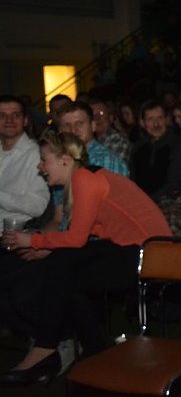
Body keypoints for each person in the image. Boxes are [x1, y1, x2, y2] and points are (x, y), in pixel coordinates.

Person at [0, 131, 171, 388]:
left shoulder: (84, 179)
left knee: (63, 266)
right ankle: (96, 355)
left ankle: (50, 346)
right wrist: (48, 246)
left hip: (152, 254)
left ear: (66, 160)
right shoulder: (85, 178)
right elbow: (87, 233)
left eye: (44, 160)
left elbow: (77, 239)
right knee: (65, 271)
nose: (40, 166)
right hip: (135, 248)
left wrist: (34, 241)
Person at [0, 95, 50, 226]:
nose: (9, 120)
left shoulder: (36, 154)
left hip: (13, 234)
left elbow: (38, 206)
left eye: (15, 115)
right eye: (2, 115)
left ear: (25, 120)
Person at [130, 100, 181, 201]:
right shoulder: (138, 147)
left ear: (166, 120)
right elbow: (132, 180)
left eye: (160, 118)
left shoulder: (179, 145)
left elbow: (174, 183)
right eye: (150, 119)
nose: (156, 124)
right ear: (142, 123)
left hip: (170, 204)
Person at [89, 98, 131, 164]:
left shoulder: (119, 141)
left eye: (101, 113)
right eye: (92, 115)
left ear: (111, 118)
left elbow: (113, 172)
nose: (97, 118)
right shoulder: (90, 142)